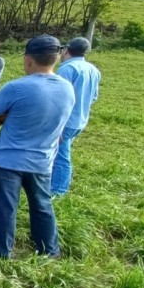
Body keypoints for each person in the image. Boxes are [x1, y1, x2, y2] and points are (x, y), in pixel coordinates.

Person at [0, 35, 74, 259]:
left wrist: (8, 117)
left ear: (28, 60)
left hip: (9, 159)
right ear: (55, 58)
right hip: (43, 160)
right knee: (42, 205)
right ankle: (49, 250)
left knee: (6, 207)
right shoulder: (68, 89)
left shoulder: (16, 87)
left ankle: (1, 251)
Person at [50, 37, 101, 196]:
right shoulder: (93, 69)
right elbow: (94, 97)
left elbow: (59, 98)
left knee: (61, 155)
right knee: (60, 151)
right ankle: (52, 183)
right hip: (80, 119)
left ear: (66, 50)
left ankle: (58, 191)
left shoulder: (67, 69)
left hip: (65, 120)